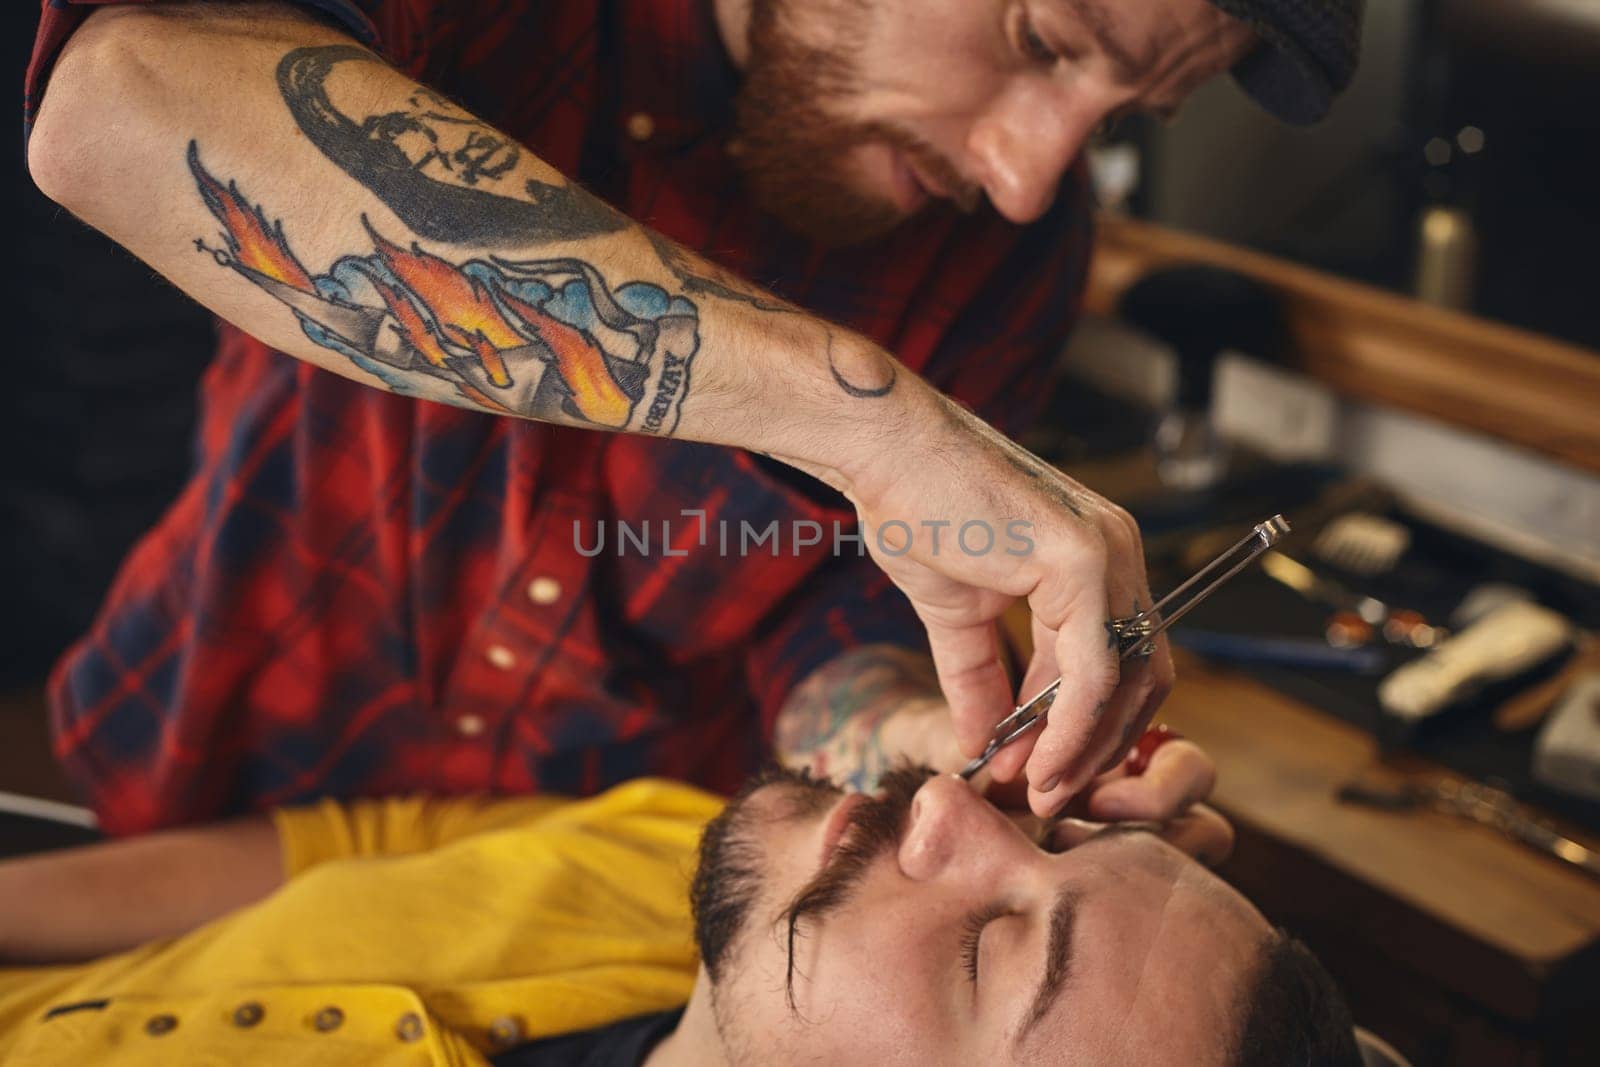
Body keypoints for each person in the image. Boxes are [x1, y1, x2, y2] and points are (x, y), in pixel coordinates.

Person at [22, 0, 1364, 831]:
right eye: (1043, 39)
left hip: (591, 876)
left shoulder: (1006, 255)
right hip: (219, 759)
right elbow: (114, 105)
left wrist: (918, 736)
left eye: (1123, 111)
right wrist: (867, 417)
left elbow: (831, 608)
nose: (1027, 179)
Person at [0, 740, 1360, 1065]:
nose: (946, 802)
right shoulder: (677, 854)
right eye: (1056, 837)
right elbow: (351, 847)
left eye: (1001, 943)